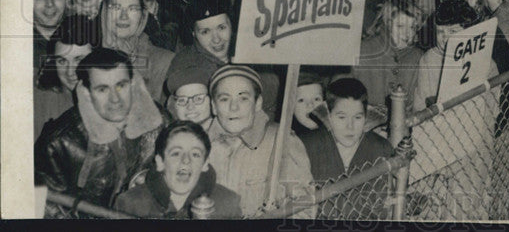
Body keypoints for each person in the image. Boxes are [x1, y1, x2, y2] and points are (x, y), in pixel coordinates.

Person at [35, 48, 166, 209]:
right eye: (102, 89)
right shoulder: (58, 144)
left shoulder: (160, 122)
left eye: (121, 85)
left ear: (133, 84)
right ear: (86, 93)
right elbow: (50, 211)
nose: (115, 99)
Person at [205, 65, 314, 217]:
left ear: (258, 103)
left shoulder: (280, 141)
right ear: (213, 107)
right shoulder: (199, 146)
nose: (233, 107)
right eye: (224, 99)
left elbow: (304, 210)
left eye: (243, 98)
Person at [298, 77, 395, 219]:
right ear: (328, 116)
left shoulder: (381, 149)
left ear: (365, 117)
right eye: (342, 117)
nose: (350, 127)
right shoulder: (307, 146)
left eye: (357, 117)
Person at [114, 120, 242, 219]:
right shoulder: (129, 204)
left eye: (195, 154)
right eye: (176, 153)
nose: (186, 160)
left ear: (205, 164)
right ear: (160, 162)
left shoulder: (227, 204)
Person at [99, 0, 174, 103]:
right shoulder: (86, 56)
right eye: (116, 8)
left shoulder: (163, 62)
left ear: (143, 16)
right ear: (104, 12)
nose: (123, 16)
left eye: (132, 9)